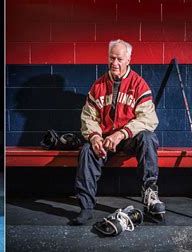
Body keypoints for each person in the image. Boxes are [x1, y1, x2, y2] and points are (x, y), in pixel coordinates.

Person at [70, 39, 164, 225]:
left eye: (119, 59)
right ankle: (86, 208)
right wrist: (95, 136)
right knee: (87, 150)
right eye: (111, 58)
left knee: (148, 137)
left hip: (128, 139)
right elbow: (88, 117)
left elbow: (149, 119)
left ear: (128, 59)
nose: (115, 63)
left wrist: (122, 133)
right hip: (104, 140)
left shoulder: (139, 85)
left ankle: (150, 195)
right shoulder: (98, 86)